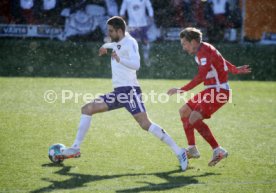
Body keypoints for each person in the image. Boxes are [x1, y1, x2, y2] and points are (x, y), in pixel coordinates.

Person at [61, 16, 188, 171]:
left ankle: (180, 151)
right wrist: (104, 46)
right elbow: (112, 45)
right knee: (87, 109)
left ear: (119, 31)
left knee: (145, 124)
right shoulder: (116, 42)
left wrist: (120, 60)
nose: (109, 34)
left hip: (130, 91)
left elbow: (136, 65)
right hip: (119, 92)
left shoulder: (130, 43)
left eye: (111, 31)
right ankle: (75, 148)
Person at [167, 27, 251, 166]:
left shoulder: (203, 52)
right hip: (211, 90)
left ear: (193, 42)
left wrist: (181, 90)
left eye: (184, 44)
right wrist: (234, 69)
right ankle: (192, 148)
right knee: (184, 112)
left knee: (193, 118)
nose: (183, 47)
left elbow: (201, 76)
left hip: (219, 92)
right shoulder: (204, 48)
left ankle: (218, 150)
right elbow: (221, 60)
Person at [119, 0, 154, 66]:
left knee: (145, 41)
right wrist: (121, 17)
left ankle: (146, 57)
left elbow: (149, 6)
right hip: (132, 25)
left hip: (143, 23)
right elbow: (122, 9)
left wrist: (151, 15)